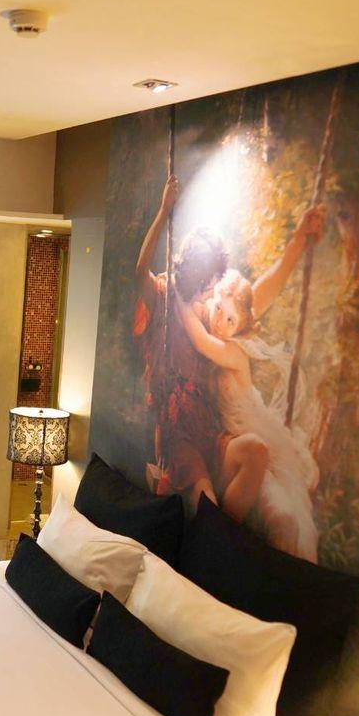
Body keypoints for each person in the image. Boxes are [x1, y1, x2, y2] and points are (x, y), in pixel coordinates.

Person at [172, 203, 327, 561]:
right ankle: (220, 550)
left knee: (285, 517)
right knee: (278, 513)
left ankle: (240, 558)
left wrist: (297, 243)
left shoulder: (230, 346)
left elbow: (256, 297)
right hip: (234, 440)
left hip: (257, 433)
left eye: (231, 320)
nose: (222, 321)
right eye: (219, 310)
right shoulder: (210, 311)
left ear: (240, 325)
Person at [133, 174, 228, 506]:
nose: (208, 286)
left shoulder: (208, 310)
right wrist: (163, 212)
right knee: (202, 493)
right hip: (177, 423)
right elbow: (140, 270)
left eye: (211, 278)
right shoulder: (164, 293)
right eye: (204, 276)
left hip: (207, 420)